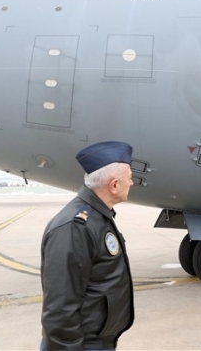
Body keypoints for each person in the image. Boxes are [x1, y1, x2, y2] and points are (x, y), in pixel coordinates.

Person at [40, 141, 135, 350]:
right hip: (82, 345)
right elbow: (60, 310)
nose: (132, 182)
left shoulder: (98, 218)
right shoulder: (75, 227)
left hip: (97, 342)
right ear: (114, 184)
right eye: (129, 177)